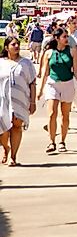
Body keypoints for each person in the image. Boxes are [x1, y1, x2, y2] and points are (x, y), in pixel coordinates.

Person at [36, 28, 77, 153]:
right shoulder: (49, 53)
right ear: (57, 38)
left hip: (67, 84)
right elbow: (45, 72)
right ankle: (51, 142)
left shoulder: (72, 51)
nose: (67, 39)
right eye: (64, 37)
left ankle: (62, 141)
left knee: (65, 115)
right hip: (52, 84)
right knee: (52, 114)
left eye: (67, 36)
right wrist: (40, 90)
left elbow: (76, 70)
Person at [0, 37, 37, 165]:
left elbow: (32, 83)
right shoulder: (1, 63)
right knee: (3, 130)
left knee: (16, 126)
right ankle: (6, 148)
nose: (16, 46)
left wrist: (33, 102)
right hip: (2, 100)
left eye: (18, 44)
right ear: (6, 47)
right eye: (13, 44)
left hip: (20, 100)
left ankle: (13, 157)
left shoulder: (26, 63)